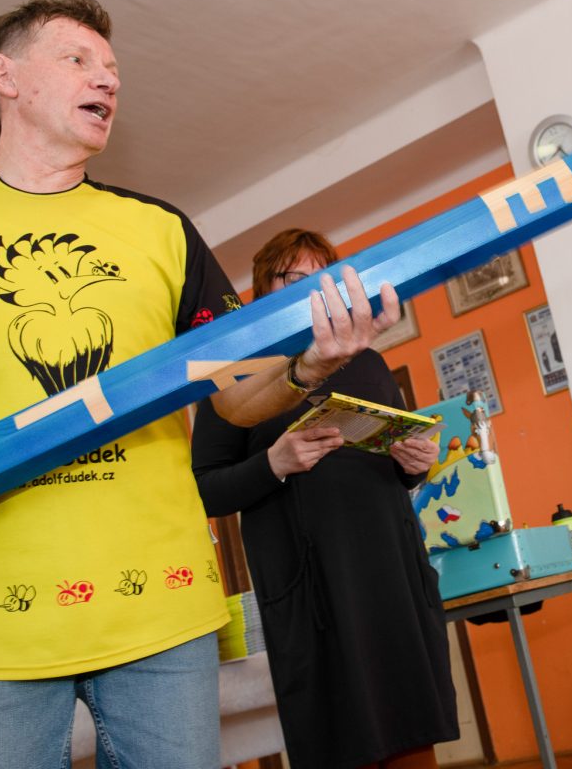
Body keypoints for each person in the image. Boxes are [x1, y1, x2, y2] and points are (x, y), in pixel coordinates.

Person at [0, 0, 399, 769]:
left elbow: (235, 394)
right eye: (79, 60)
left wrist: (308, 366)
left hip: (160, 610)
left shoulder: (162, 230)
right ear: (5, 75)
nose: (108, 80)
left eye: (114, 69)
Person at [191, 228, 459, 769]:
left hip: (390, 574)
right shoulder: (239, 376)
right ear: (263, 289)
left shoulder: (369, 363)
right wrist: (273, 463)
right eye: (295, 277)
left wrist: (414, 466)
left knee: (411, 722)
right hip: (312, 586)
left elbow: (391, 463)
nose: (313, 288)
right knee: (336, 729)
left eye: (324, 277)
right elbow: (203, 489)